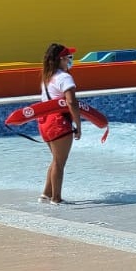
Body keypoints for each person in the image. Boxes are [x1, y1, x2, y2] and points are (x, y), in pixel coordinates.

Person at [39, 43, 82, 204]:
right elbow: (72, 102)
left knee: (56, 159)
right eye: (69, 57)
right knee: (59, 162)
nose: (71, 60)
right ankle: (56, 199)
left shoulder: (47, 77)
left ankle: (46, 194)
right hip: (59, 121)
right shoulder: (65, 77)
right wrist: (78, 125)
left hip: (45, 121)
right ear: (61, 59)